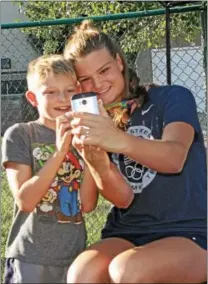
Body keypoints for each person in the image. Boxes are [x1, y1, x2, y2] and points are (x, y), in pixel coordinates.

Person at [63, 20, 207, 283]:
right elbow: (123, 199)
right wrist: (95, 159)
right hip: (127, 231)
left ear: (119, 62)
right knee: (81, 274)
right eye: (85, 79)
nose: (97, 83)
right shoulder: (98, 121)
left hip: (189, 231)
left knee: (128, 270)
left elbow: (174, 158)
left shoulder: (172, 97)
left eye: (104, 70)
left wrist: (115, 139)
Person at [1, 54, 98, 283]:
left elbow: (88, 204)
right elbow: (25, 200)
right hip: (30, 256)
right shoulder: (21, 134)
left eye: (69, 90)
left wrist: (91, 153)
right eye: (50, 92)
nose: (62, 98)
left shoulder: (82, 136)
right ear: (33, 98)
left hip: (73, 256)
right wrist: (60, 152)